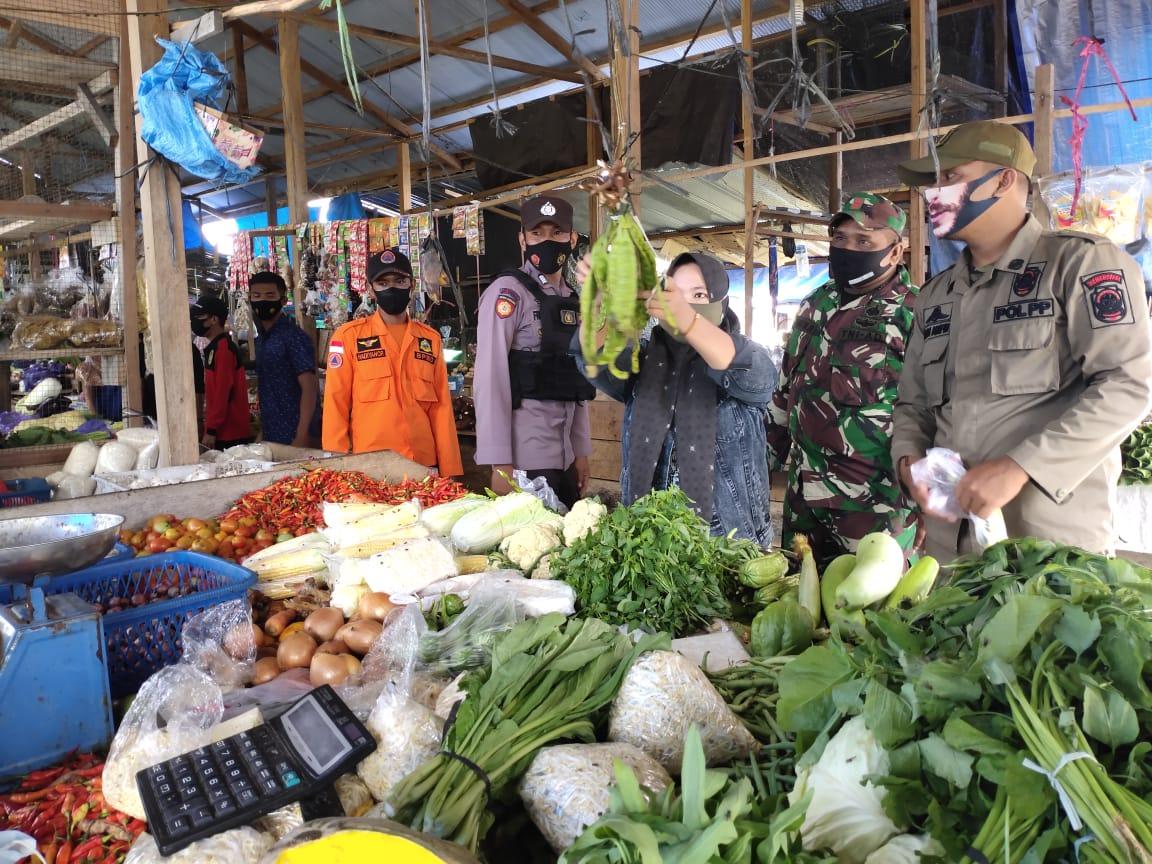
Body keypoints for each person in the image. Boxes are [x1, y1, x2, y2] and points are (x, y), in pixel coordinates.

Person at [891, 120, 1152, 560]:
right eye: (932, 181)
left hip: (1047, 545)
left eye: (950, 177)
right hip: (951, 547)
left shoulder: (1079, 265)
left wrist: (1020, 467)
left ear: (1004, 179)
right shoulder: (935, 296)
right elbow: (912, 404)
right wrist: (908, 462)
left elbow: (1128, 385)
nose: (933, 193)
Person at [575, 250, 777, 545]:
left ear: (722, 304)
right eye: (675, 294)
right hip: (649, 537)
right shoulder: (643, 360)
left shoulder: (749, 356)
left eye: (698, 294)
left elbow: (749, 372)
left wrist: (689, 320)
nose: (681, 305)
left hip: (730, 541)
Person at [767, 193, 919, 566]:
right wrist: (761, 464)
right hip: (804, 504)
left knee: (871, 616)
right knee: (798, 606)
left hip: (874, 511)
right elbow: (786, 395)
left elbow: (936, 414)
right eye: (840, 239)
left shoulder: (915, 314)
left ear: (896, 253)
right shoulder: (815, 303)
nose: (848, 249)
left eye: (864, 241)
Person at [474, 195, 594, 508]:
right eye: (537, 233)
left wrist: (581, 451)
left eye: (557, 233)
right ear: (522, 239)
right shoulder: (508, 294)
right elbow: (490, 379)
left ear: (572, 239)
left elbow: (577, 383)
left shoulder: (572, 300)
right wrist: (498, 462)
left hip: (565, 458)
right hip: (524, 462)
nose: (547, 241)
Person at [322, 248, 463, 476]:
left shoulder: (430, 339)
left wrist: (450, 470)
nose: (392, 288)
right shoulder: (348, 337)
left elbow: (441, 410)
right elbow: (335, 406)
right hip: (371, 468)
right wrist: (337, 469)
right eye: (383, 282)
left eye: (399, 280)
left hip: (423, 466)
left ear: (411, 284)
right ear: (371, 289)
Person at [249, 271, 321, 447]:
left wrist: (302, 434)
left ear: (283, 300)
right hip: (273, 433)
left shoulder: (294, 337)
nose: (262, 301)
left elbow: (310, 387)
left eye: (270, 295)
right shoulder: (262, 341)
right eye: (256, 296)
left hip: (297, 436)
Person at [190, 294, 252, 450]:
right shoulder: (214, 348)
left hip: (230, 433)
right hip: (222, 430)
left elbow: (222, 392)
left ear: (214, 319)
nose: (196, 321)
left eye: (200, 317)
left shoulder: (223, 349)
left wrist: (211, 429)